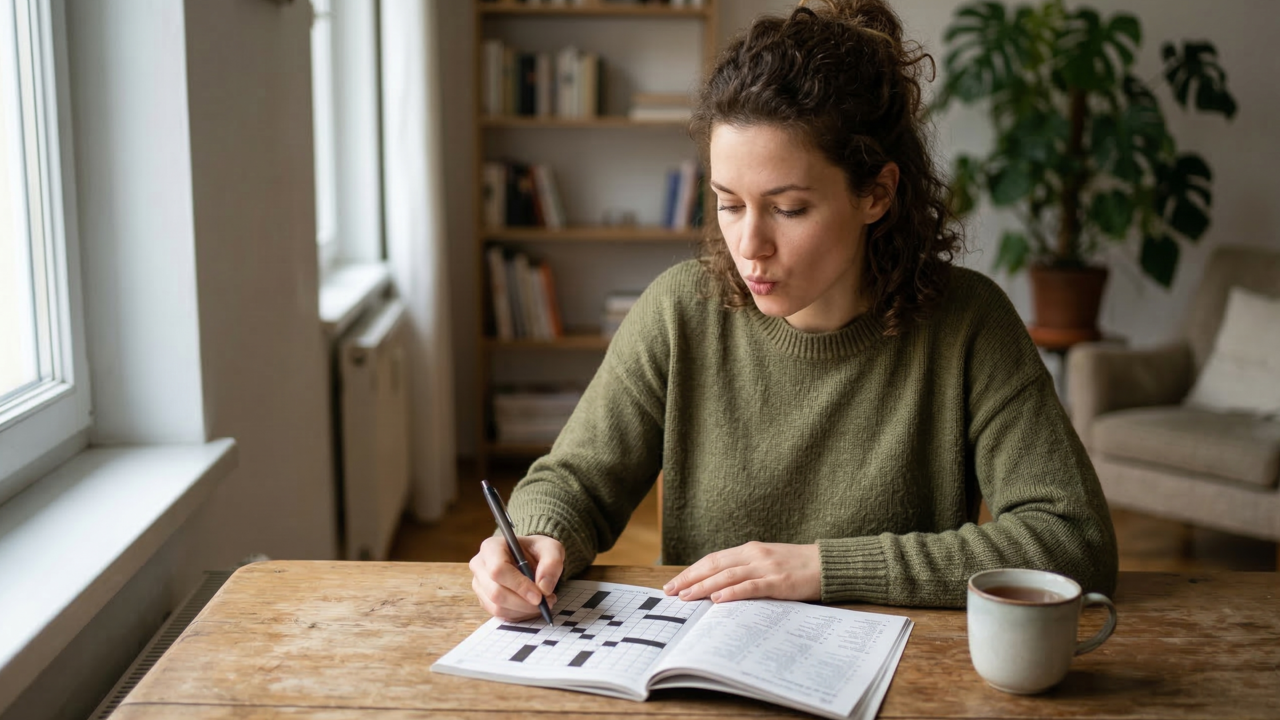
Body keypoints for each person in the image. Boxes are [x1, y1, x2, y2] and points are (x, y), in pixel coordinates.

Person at [469, 0, 1118, 620]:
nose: (750, 245)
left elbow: (1070, 541)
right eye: (729, 203)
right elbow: (574, 482)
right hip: (705, 674)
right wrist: (534, 539)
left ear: (877, 193)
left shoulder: (969, 324)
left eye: (788, 208)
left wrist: (824, 568)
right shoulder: (679, 312)